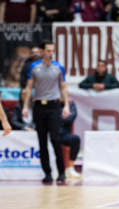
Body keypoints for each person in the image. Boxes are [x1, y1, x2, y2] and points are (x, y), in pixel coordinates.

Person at [22, 40, 71, 184]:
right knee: (42, 141)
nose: (51, 53)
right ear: (42, 51)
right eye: (48, 50)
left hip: (54, 106)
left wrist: (66, 105)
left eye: (52, 50)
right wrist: (25, 106)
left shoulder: (58, 67)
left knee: (55, 139)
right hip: (39, 106)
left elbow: (63, 87)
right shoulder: (34, 67)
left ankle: (61, 172)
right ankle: (47, 173)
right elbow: (29, 87)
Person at [59, 100, 81, 179]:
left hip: (65, 134)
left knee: (75, 139)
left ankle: (70, 168)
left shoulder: (71, 105)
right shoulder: (52, 104)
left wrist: (54, 118)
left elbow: (70, 118)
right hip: (52, 133)